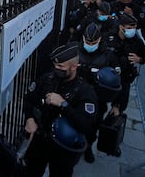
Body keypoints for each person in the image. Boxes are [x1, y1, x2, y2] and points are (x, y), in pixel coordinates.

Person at [23, 42, 98, 177]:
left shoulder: (85, 92)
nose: (56, 68)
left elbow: (87, 125)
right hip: (41, 139)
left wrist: (64, 105)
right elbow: (29, 99)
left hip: (63, 147)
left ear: (74, 67)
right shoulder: (47, 79)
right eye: (55, 65)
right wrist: (29, 119)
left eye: (61, 66)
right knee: (31, 171)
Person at [77, 23, 120, 163]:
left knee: (93, 126)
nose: (90, 44)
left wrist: (117, 104)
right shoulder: (75, 50)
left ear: (100, 39)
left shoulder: (109, 56)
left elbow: (119, 81)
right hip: (77, 95)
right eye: (87, 41)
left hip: (97, 99)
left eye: (93, 42)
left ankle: (88, 146)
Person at [105, 13, 145, 118]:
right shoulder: (109, 37)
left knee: (119, 107)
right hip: (107, 76)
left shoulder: (136, 41)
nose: (132, 29)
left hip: (125, 77)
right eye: (129, 27)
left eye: (134, 27)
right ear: (121, 26)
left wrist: (139, 59)